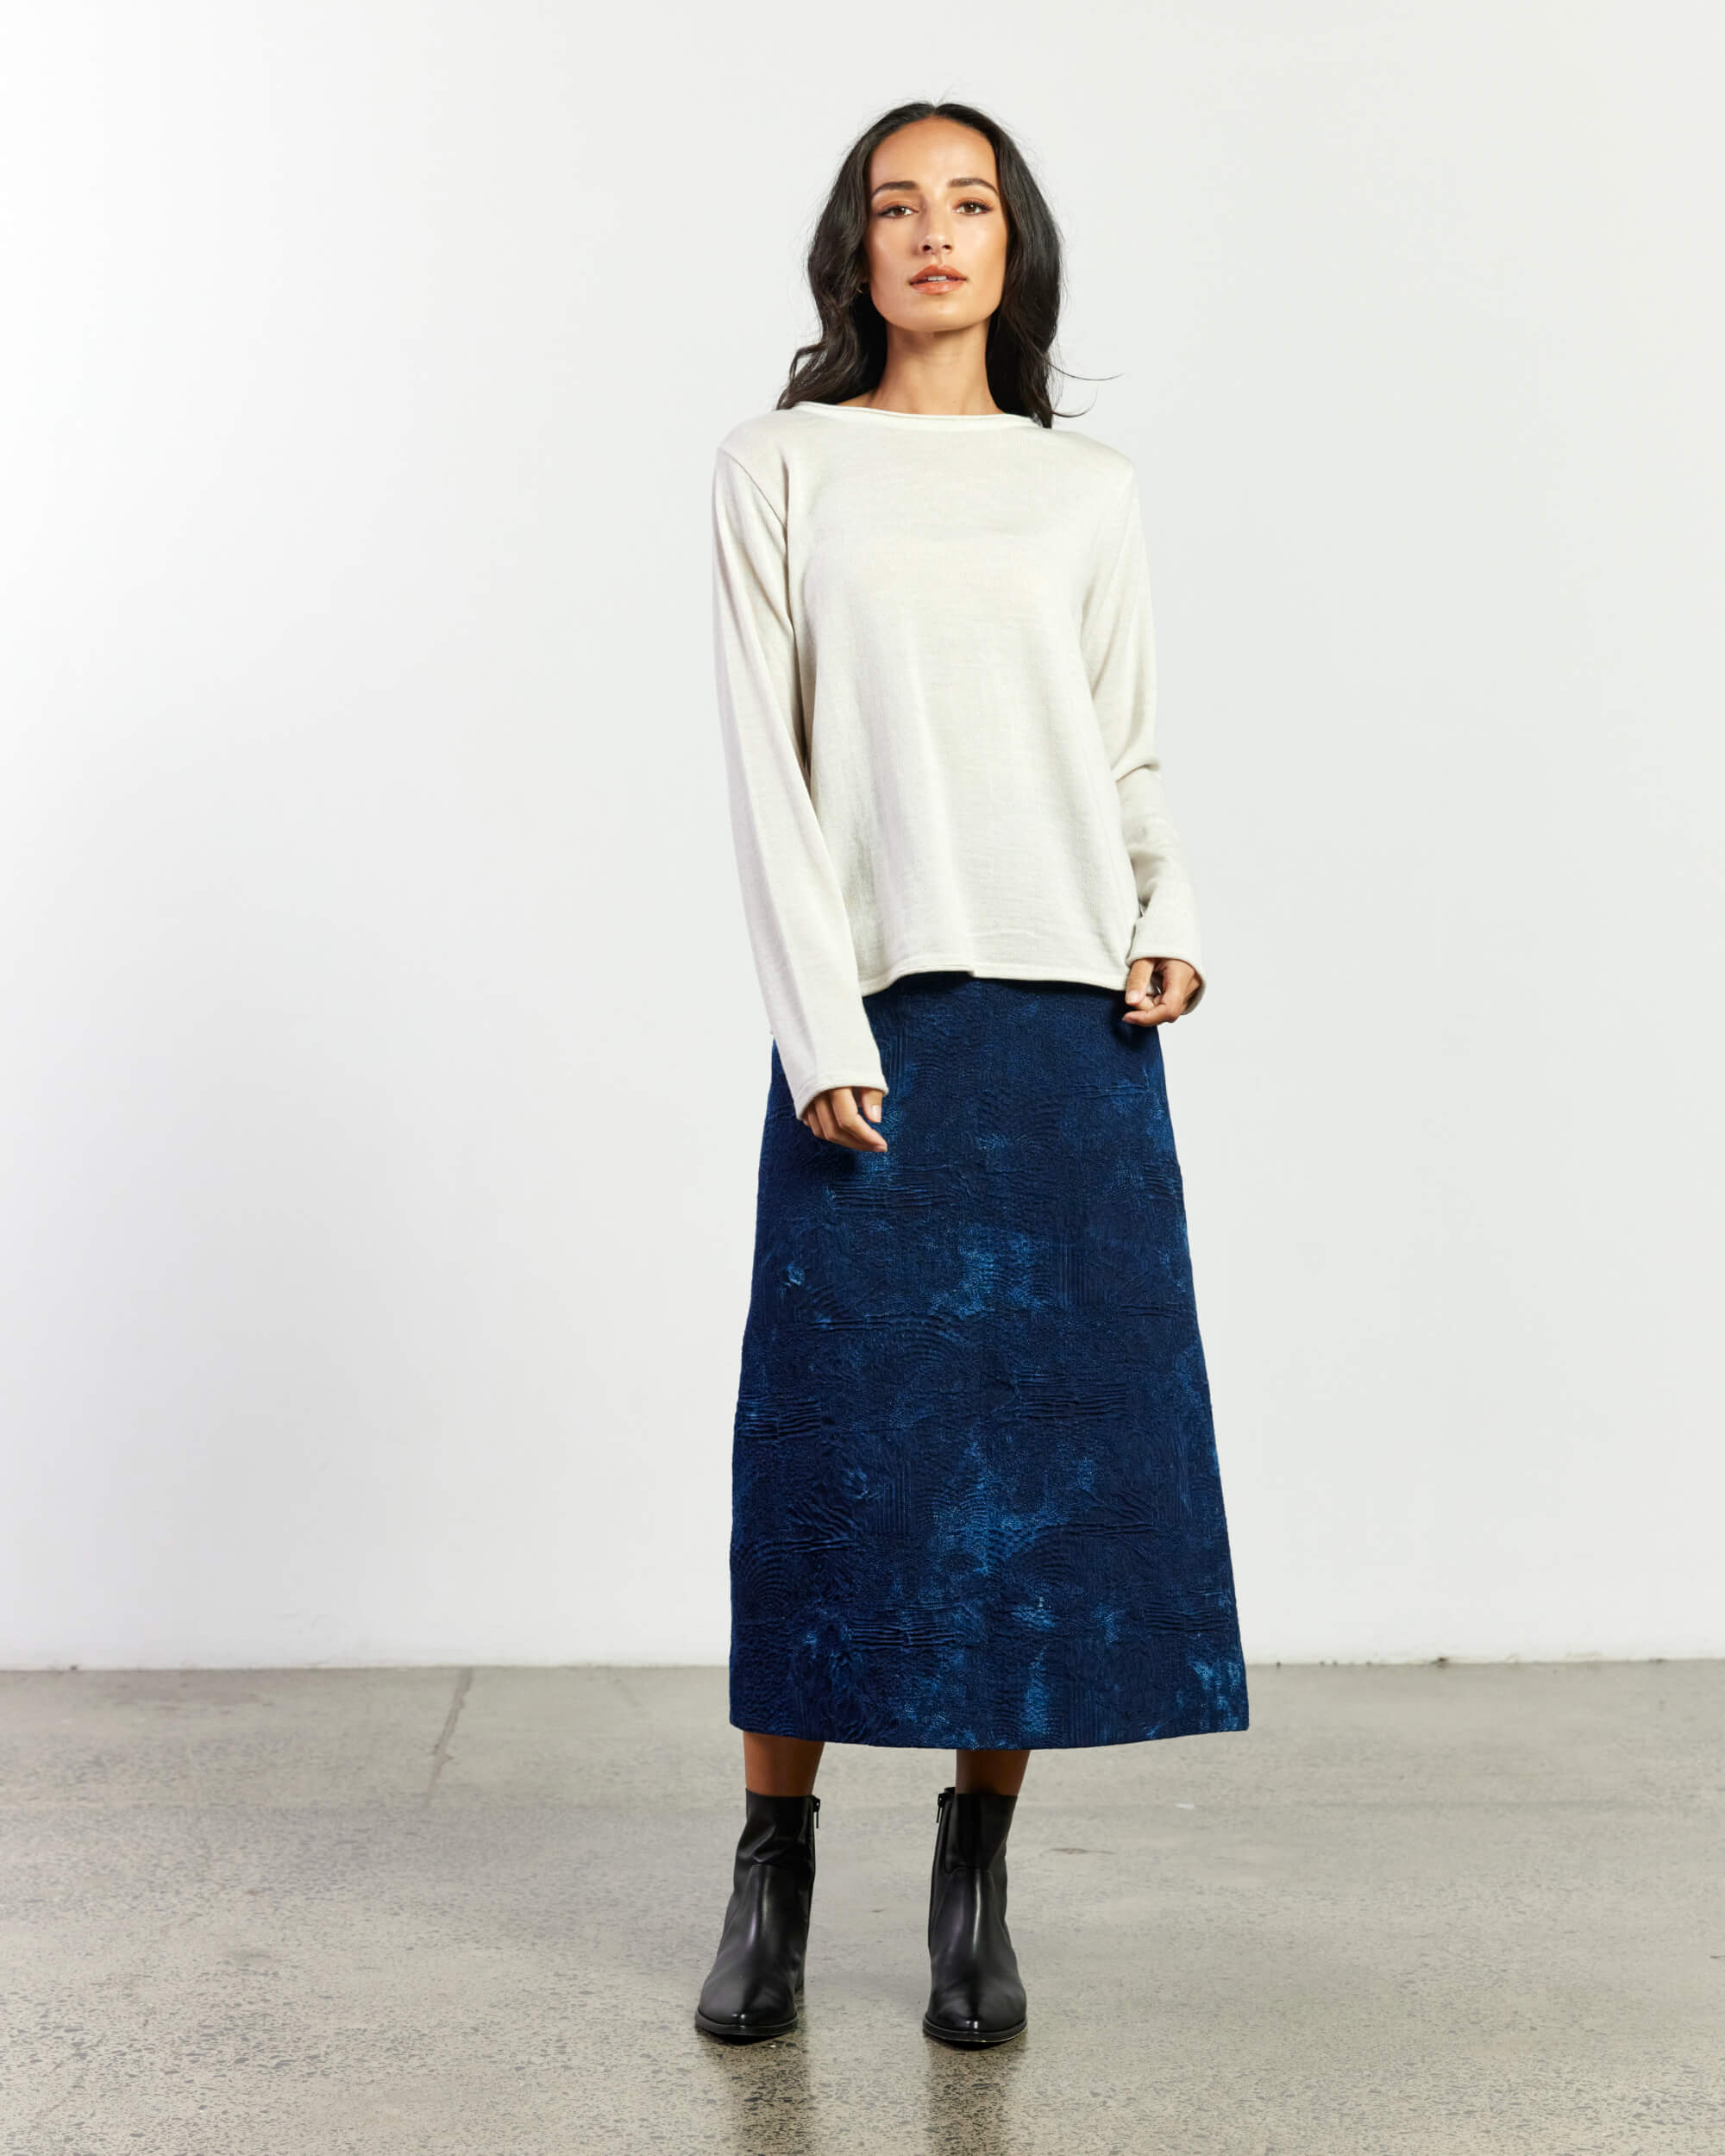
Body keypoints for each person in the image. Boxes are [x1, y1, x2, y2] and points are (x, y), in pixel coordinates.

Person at [696, 99, 1248, 2051]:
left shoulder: (1082, 489)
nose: (935, 232)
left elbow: (1126, 741)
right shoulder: (779, 466)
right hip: (877, 1020)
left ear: (1015, 247)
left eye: (971, 203)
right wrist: (818, 1024)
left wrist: (1167, 908)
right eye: (897, 204)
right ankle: (772, 1866)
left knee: (1028, 1478)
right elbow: (764, 769)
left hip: (1069, 1026)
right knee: (824, 1459)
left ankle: (974, 1881)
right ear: (854, 248)